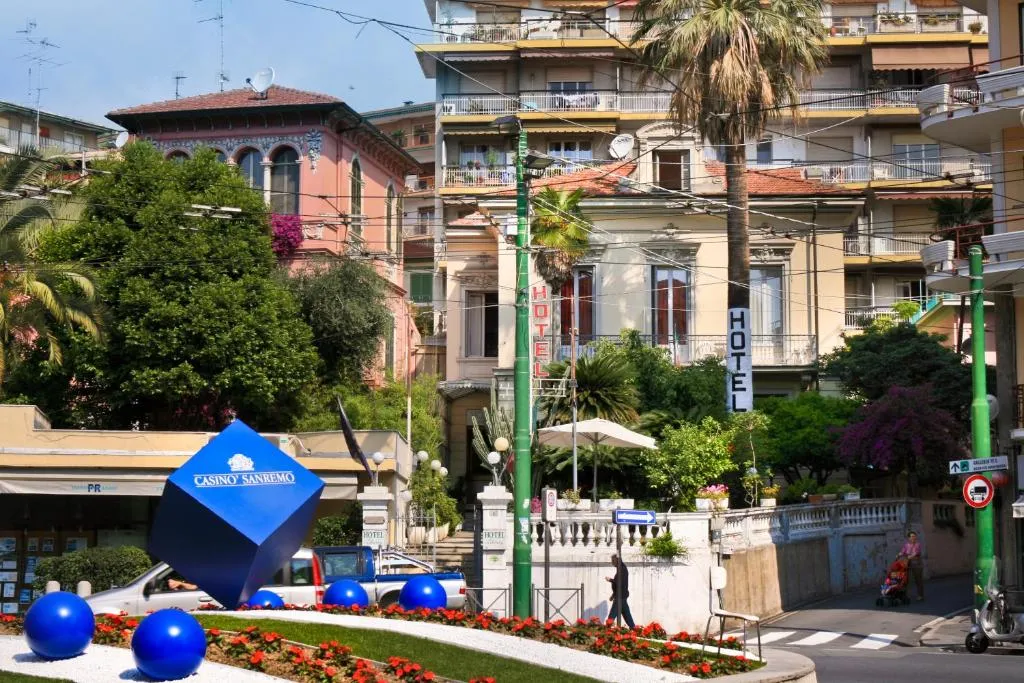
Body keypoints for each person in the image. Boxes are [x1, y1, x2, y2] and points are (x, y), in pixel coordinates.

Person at [605, 554, 636, 629]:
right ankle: (634, 629)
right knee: (627, 615)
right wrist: (613, 595)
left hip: (620, 597)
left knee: (612, 616)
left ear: (617, 560)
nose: (612, 562)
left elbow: (619, 582)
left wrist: (610, 580)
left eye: (613, 561)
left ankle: (606, 631)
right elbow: (619, 585)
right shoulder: (621, 568)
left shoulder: (622, 569)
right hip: (621, 596)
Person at [901, 531, 924, 601]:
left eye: (914, 536)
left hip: (917, 563)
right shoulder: (906, 545)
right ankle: (905, 595)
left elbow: (916, 553)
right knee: (905, 579)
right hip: (908, 563)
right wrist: (898, 555)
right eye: (912, 536)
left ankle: (920, 595)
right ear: (909, 538)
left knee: (918, 580)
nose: (914, 538)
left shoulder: (918, 545)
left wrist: (910, 557)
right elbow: (902, 551)